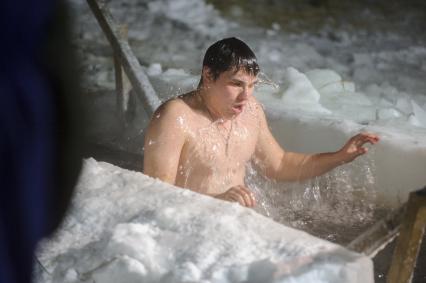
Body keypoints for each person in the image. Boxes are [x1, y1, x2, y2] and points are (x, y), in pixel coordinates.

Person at [143, 37, 379, 207]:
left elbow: (280, 165)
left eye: (252, 85)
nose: (246, 96)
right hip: (192, 229)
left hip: (235, 223)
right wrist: (216, 203)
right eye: (236, 84)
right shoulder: (176, 117)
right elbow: (158, 195)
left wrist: (339, 156)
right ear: (208, 75)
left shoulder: (251, 111)